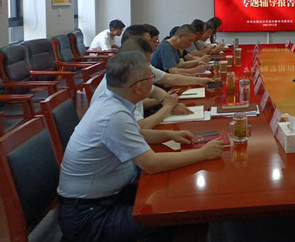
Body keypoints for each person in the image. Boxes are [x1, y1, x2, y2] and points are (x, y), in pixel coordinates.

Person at [58, 51, 224, 242]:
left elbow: (135, 134)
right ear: (138, 87)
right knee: (180, 215)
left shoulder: (113, 101)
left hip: (110, 197)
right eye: (150, 77)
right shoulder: (114, 116)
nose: (154, 81)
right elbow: (152, 164)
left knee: (179, 193)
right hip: (89, 216)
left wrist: (167, 135)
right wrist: (203, 153)